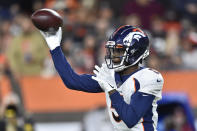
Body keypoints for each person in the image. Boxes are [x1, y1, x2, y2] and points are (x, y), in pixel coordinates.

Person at [40, 25, 164, 131]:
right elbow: (72, 81)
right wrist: (55, 47)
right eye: (112, 51)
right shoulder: (111, 76)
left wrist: (112, 89)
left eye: (118, 52)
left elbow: (130, 119)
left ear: (135, 53)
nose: (113, 56)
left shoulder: (150, 78)